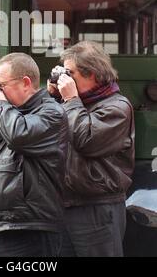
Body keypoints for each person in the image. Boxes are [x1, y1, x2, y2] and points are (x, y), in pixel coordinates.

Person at [0, 52, 68, 257]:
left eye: (1, 85)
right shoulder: (12, 113)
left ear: (25, 82)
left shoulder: (51, 112)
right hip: (6, 222)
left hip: (31, 225)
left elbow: (19, 136)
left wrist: (0, 105)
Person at [48, 41, 135, 257]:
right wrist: (52, 97)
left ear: (93, 73)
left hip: (97, 208)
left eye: (70, 73)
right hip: (65, 204)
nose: (66, 79)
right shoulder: (72, 104)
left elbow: (85, 140)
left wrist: (70, 99)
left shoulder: (117, 107)